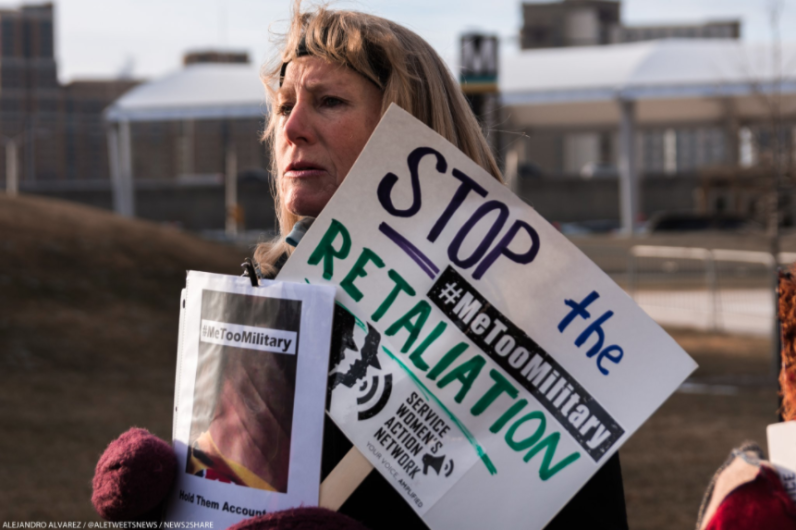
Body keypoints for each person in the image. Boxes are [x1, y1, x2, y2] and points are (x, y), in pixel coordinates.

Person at [93, 4, 628, 529]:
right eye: (283, 106)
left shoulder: (527, 326)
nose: (293, 128)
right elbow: (236, 495)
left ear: (410, 132)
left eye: (328, 101)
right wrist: (168, 507)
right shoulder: (260, 305)